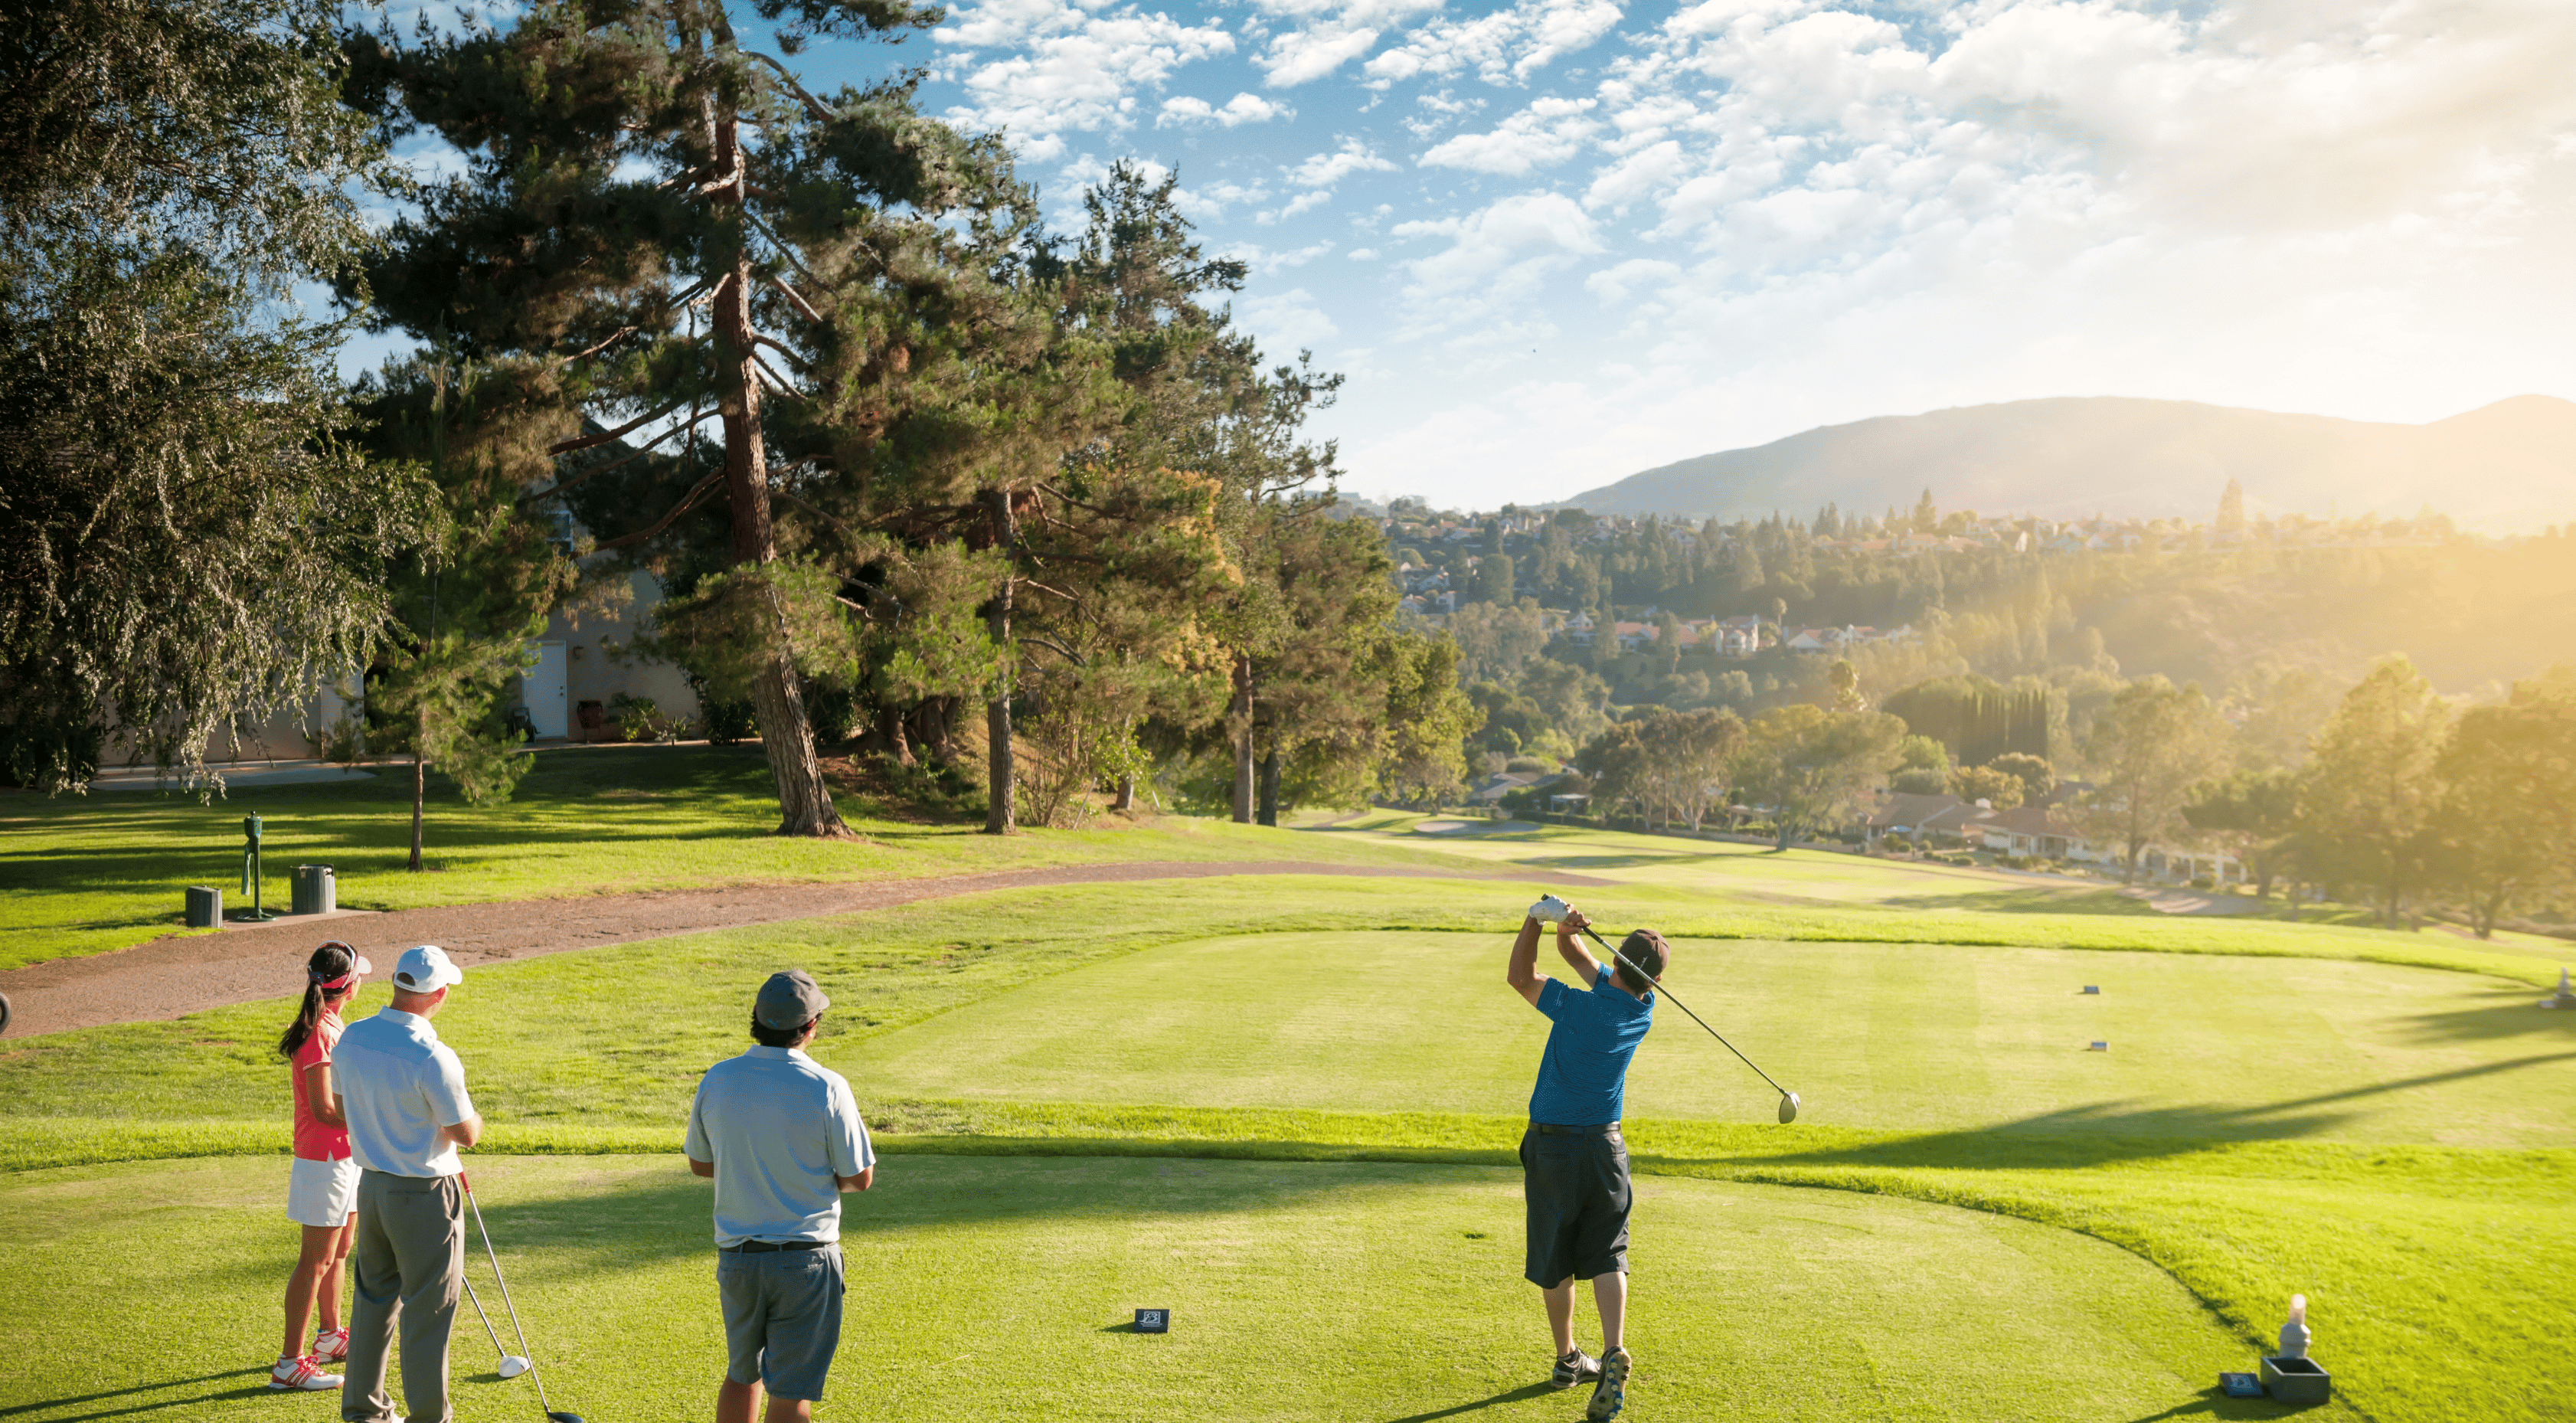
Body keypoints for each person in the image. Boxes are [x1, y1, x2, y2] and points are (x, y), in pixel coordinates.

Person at [685, 970, 876, 1423]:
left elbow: (700, 1163)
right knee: (790, 1396)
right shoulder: (827, 1086)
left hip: (739, 1259)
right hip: (806, 1262)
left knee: (741, 1375)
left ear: (755, 1017)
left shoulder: (719, 1078)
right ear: (811, 1027)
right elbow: (860, 1177)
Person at [1505, 901, 1666, 1421]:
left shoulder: (1578, 1007)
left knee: (1557, 1255)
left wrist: (1535, 919)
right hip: (1607, 1147)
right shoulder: (1641, 1009)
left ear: (1617, 962)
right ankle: (1613, 1349)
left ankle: (1567, 1358)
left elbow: (1519, 976)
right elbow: (1575, 956)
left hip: (1555, 1146)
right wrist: (1569, 932)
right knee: (1607, 1250)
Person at [332, 945, 482, 1423]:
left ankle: (363, 1411)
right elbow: (466, 1133)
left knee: (373, 1300)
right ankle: (428, 1418)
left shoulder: (353, 1037)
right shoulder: (432, 1055)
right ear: (437, 993)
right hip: (425, 1195)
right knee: (429, 1312)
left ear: (398, 984)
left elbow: (342, 1102)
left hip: (371, 1188)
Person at [272, 942, 372, 1392]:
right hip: (324, 1160)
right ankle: (290, 1363)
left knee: (340, 1251)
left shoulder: (331, 1024)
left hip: (344, 1157)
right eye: (359, 976)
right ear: (347, 986)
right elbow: (323, 1110)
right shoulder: (320, 1034)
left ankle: (330, 1336)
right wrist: (375, 1120)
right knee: (314, 1261)